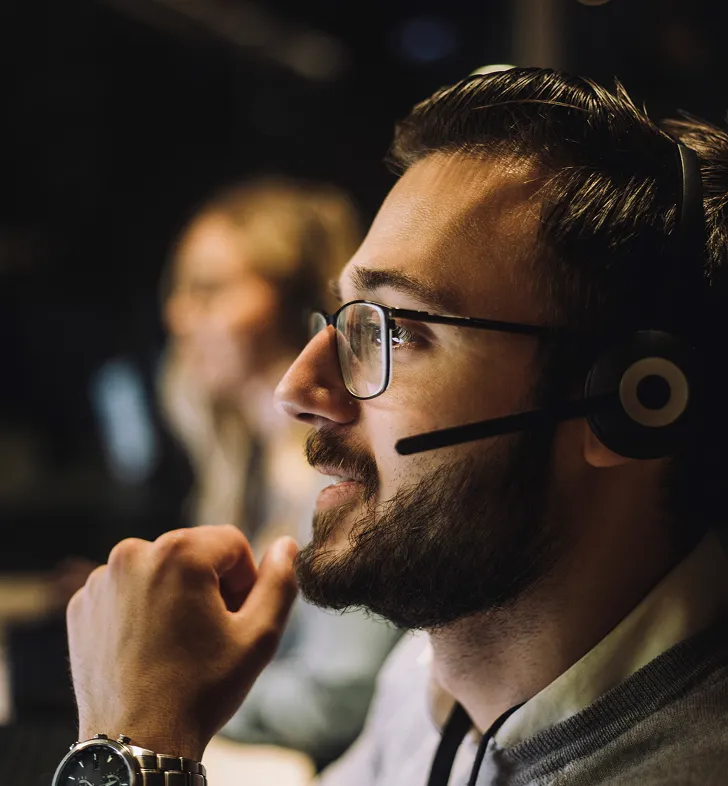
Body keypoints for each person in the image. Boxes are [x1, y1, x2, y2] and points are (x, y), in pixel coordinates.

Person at [60, 66, 728, 786]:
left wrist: (133, 746)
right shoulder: (430, 684)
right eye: (348, 321)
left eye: (396, 332)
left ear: (631, 402)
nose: (300, 390)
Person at [157, 176, 401, 768]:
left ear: (299, 308)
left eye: (209, 290)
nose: (179, 314)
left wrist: (164, 683)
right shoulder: (239, 466)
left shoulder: (336, 476)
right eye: (180, 289)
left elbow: (333, 699)